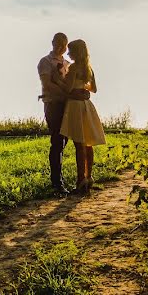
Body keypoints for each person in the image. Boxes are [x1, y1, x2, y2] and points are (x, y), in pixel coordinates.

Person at [59, 39, 105, 194]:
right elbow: (94, 89)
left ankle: (80, 179)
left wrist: (58, 79)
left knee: (79, 143)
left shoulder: (73, 68)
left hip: (75, 106)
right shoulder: (88, 68)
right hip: (87, 106)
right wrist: (84, 89)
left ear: (76, 52)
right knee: (88, 143)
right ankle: (89, 176)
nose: (68, 53)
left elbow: (68, 89)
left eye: (70, 51)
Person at [38, 32, 71, 194]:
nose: (60, 47)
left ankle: (59, 177)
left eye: (63, 44)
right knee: (57, 141)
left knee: (65, 140)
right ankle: (56, 181)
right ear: (52, 43)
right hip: (53, 103)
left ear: (66, 46)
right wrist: (66, 93)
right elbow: (47, 83)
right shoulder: (45, 62)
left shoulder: (67, 63)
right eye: (57, 43)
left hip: (68, 105)